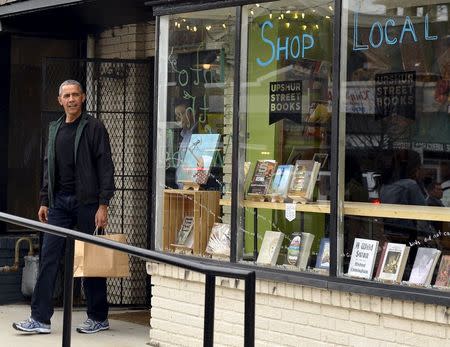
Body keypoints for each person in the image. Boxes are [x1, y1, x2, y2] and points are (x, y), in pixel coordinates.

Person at [12, 80, 115, 334]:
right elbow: (49, 166)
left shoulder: (94, 127)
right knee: (48, 258)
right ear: (60, 100)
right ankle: (40, 319)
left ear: (83, 97)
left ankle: (99, 316)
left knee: (90, 260)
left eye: (75, 95)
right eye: (67, 96)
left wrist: (104, 204)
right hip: (59, 204)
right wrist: (45, 199)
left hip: (88, 203)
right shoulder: (55, 128)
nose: (71, 99)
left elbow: (105, 167)